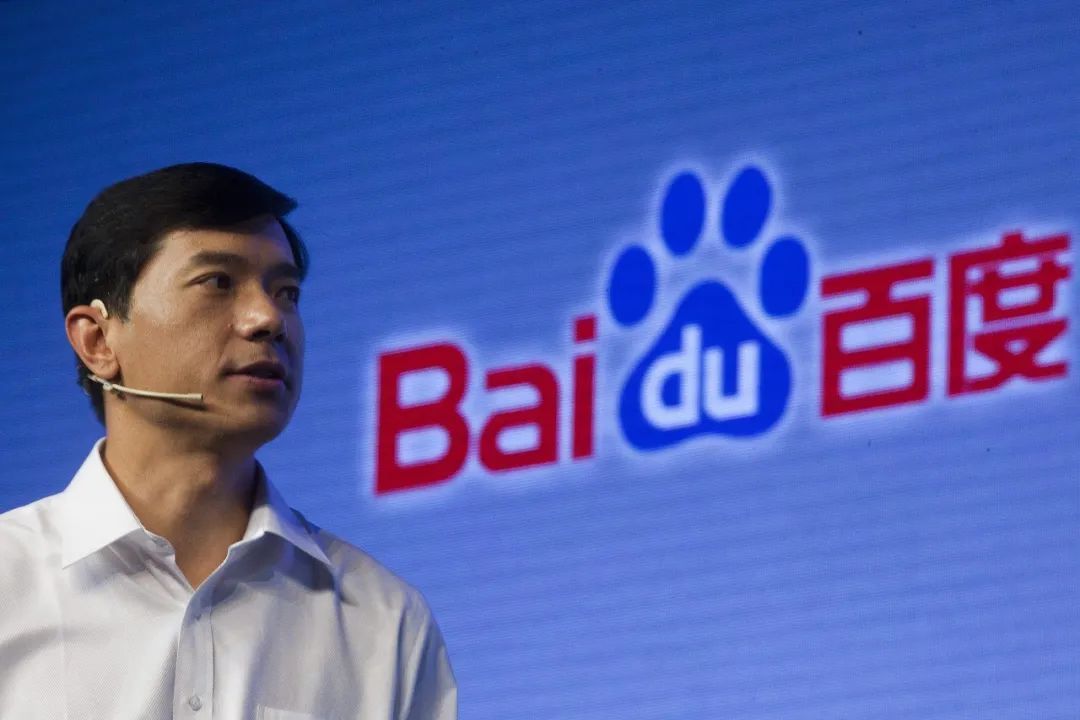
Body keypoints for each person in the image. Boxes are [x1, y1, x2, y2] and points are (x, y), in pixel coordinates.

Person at [0, 163, 457, 719]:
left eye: (287, 292)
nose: (269, 319)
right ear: (97, 340)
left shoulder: (383, 622)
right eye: (218, 282)